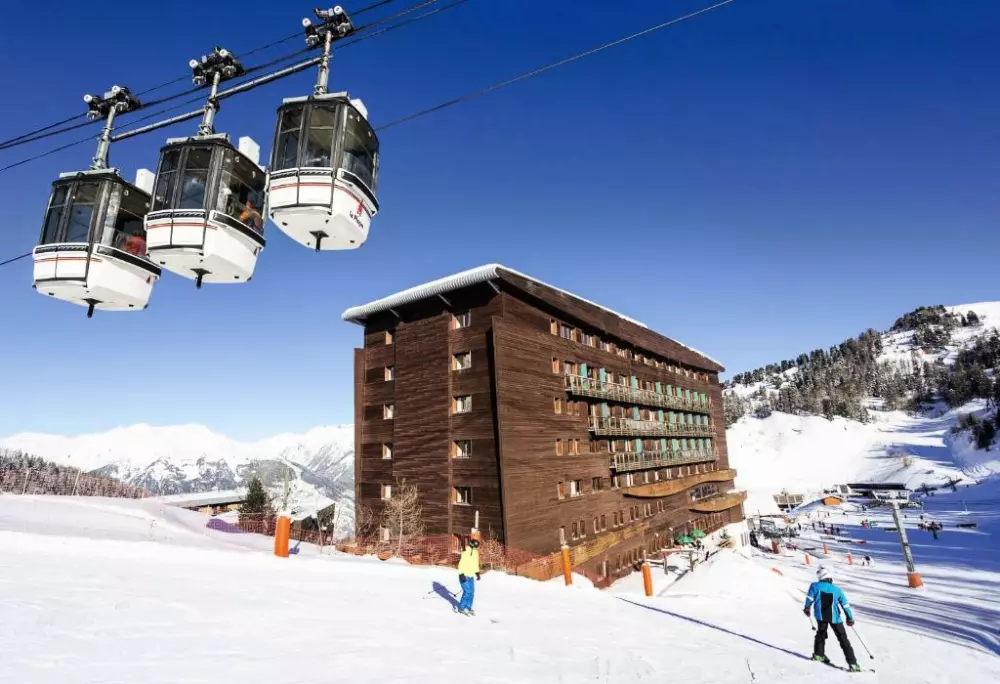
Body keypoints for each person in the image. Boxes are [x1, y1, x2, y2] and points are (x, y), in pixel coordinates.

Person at [804, 567, 860, 672]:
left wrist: (807, 608)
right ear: (829, 578)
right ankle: (853, 664)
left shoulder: (814, 586)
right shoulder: (837, 590)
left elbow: (809, 599)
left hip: (820, 616)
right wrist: (850, 618)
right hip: (835, 618)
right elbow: (845, 605)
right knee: (843, 639)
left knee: (821, 633)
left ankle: (818, 655)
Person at [456, 536, 481, 616]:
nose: (476, 548)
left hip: (471, 575)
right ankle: (461, 608)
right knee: (467, 591)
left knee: (472, 592)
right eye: (475, 546)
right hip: (464, 575)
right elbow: (461, 564)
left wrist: (477, 572)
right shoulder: (465, 551)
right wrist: (461, 574)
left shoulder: (475, 553)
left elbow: (475, 563)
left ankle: (468, 607)